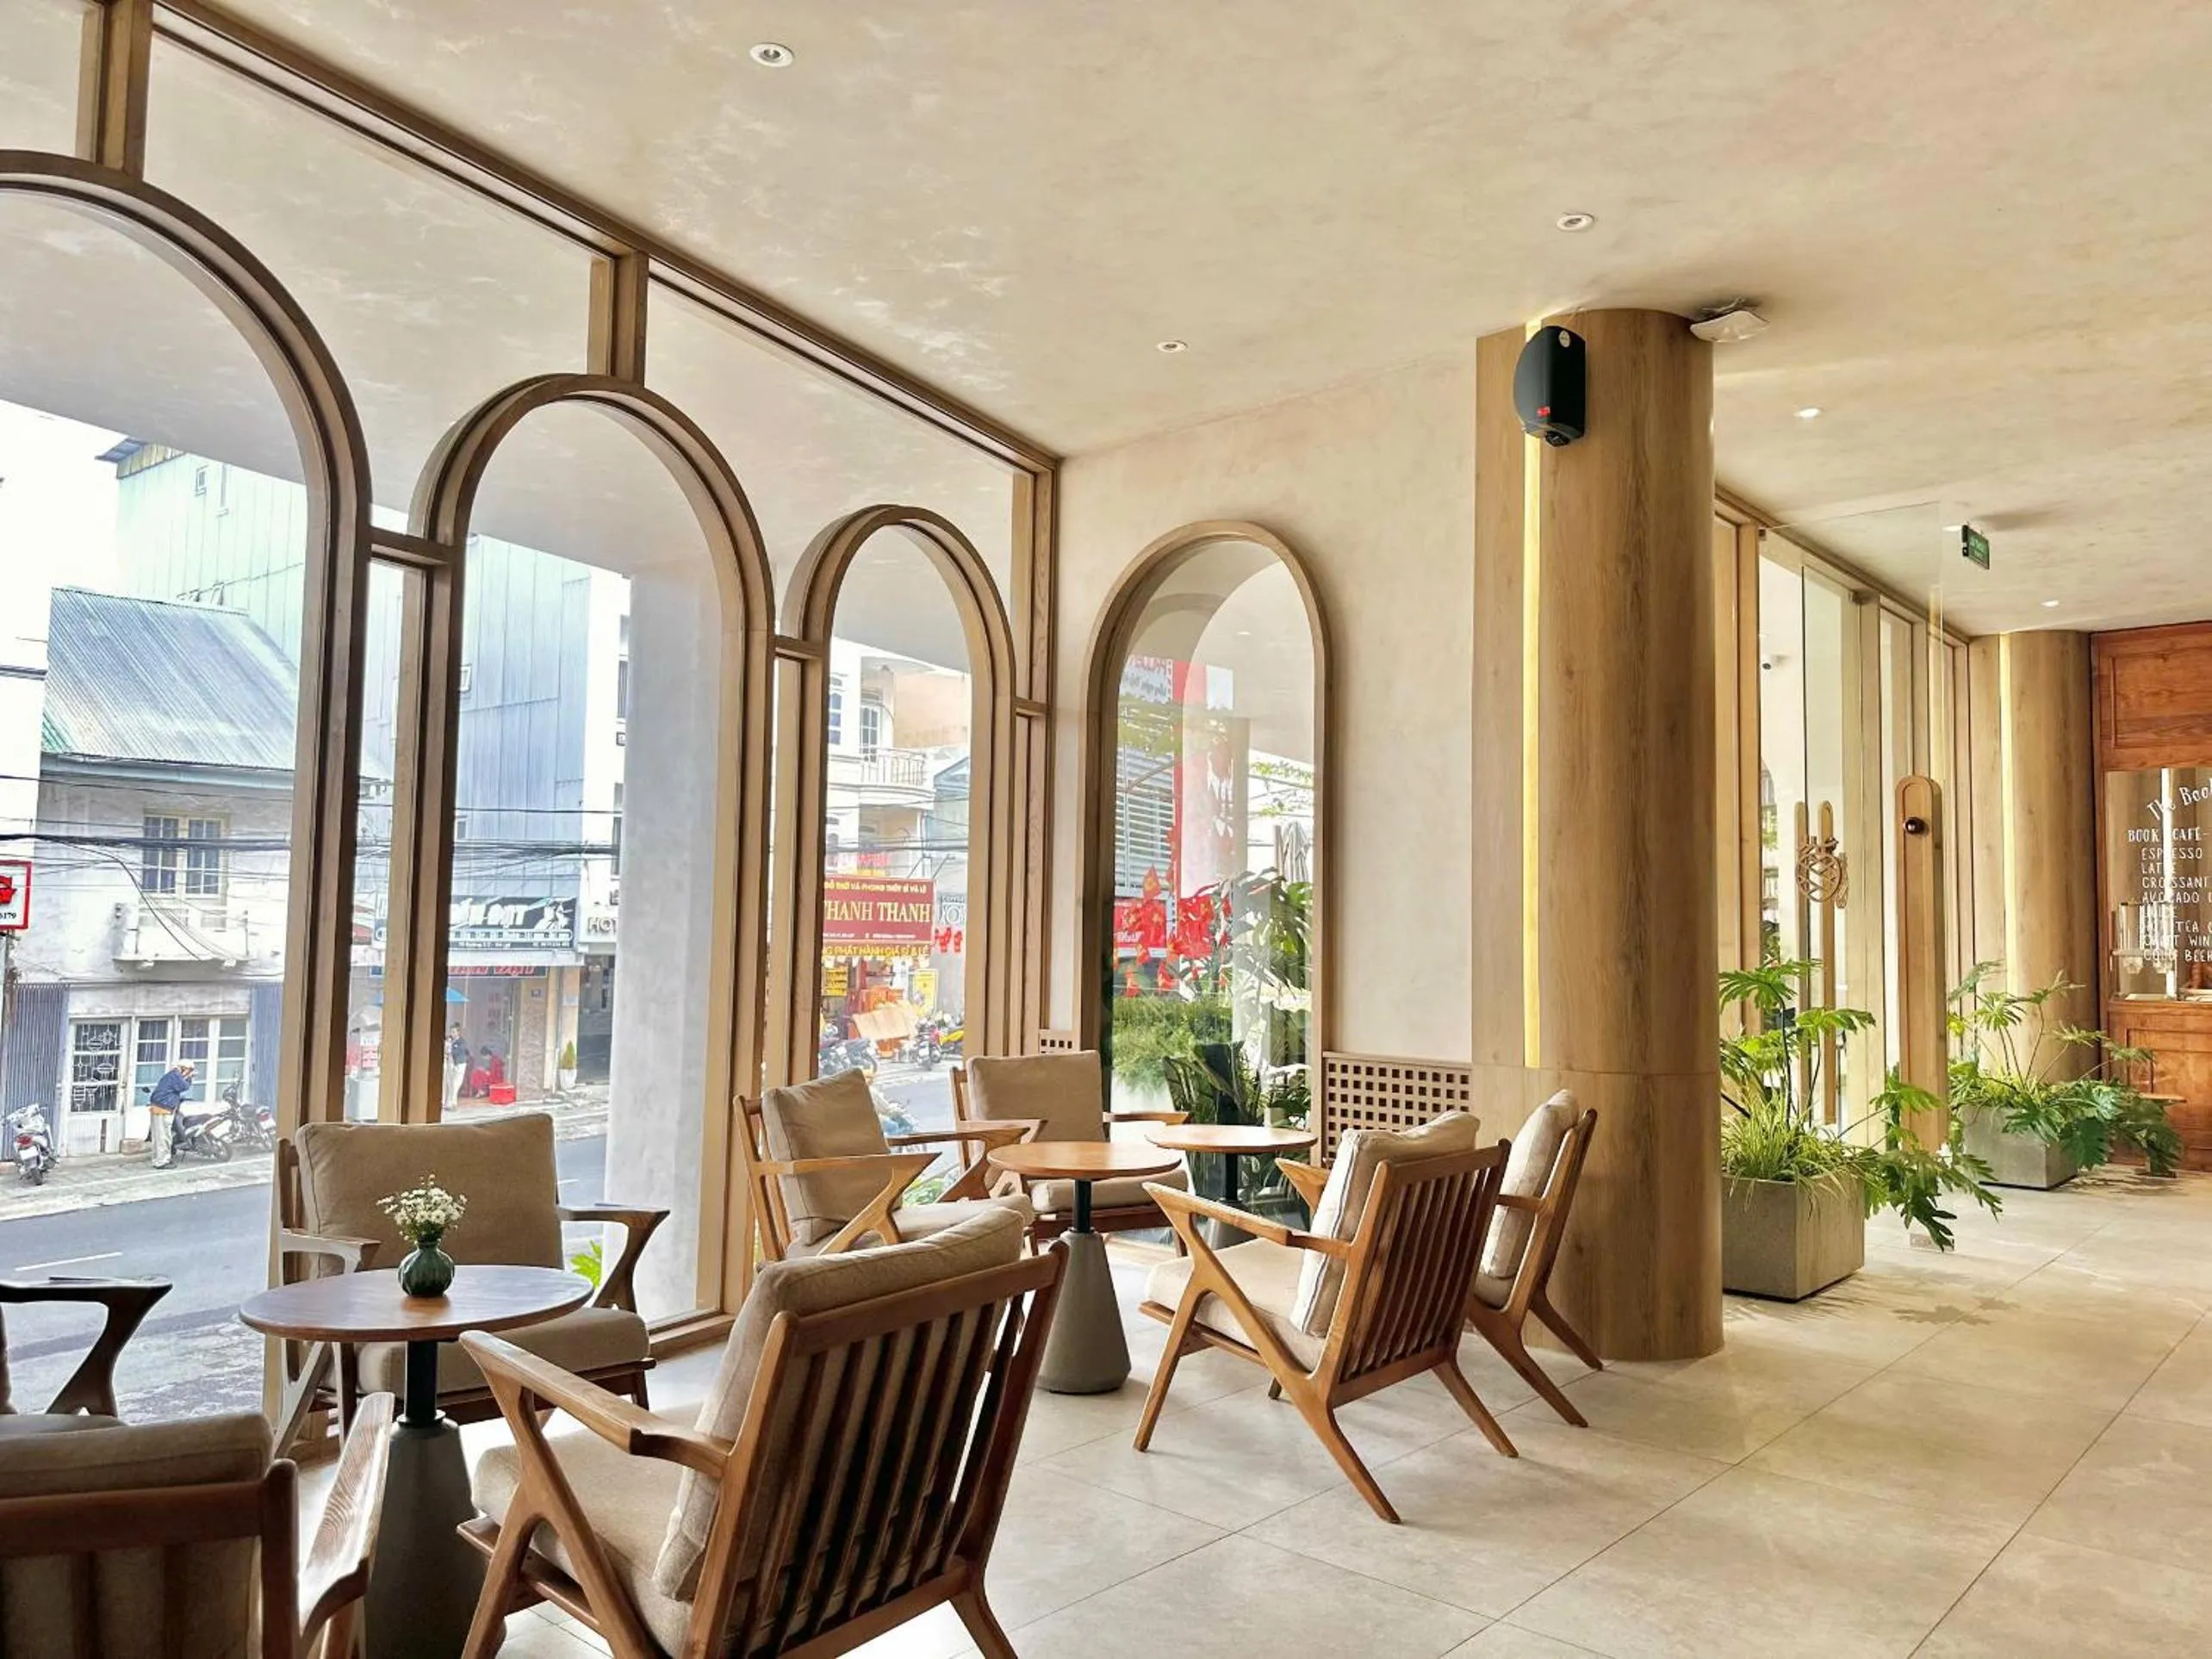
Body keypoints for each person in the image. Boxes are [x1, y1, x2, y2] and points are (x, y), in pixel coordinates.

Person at [147, 1059, 194, 1169]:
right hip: (164, 1109)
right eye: (189, 1070)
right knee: (164, 1137)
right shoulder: (175, 1076)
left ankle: (157, 1160)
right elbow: (184, 1087)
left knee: (158, 1137)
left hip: (159, 1108)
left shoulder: (170, 1075)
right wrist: (190, 1078)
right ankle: (162, 1162)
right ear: (183, 1068)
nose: (189, 1072)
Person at [445, 1022, 469, 1109]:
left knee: (455, 1084)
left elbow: (458, 1051)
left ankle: (453, 1104)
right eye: (451, 1031)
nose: (452, 1033)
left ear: (458, 1032)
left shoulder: (461, 1042)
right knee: (450, 1084)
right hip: (451, 1065)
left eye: (454, 1032)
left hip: (459, 1065)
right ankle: (450, 1103)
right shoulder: (450, 1041)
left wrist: (450, 1050)